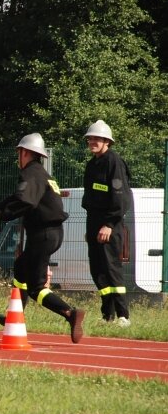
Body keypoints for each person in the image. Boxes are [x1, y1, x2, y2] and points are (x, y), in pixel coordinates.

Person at [0, 133, 85, 343]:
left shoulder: (30, 174)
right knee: (21, 268)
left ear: (25, 153)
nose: (18, 157)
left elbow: (25, 202)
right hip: (51, 233)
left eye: (19, 153)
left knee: (36, 288)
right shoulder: (41, 174)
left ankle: (70, 313)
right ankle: (16, 312)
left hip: (43, 234)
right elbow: (16, 197)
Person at [82, 120, 132, 327]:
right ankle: (107, 315)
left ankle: (123, 316)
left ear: (107, 142)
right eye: (90, 139)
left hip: (110, 225)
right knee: (98, 270)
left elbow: (121, 199)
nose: (92, 142)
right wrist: (92, 228)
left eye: (97, 139)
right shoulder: (92, 164)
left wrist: (109, 225)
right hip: (94, 223)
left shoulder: (114, 162)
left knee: (112, 268)